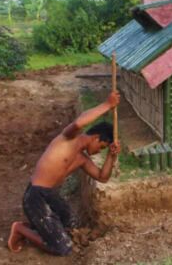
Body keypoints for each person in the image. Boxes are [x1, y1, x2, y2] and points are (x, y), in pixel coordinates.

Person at [7, 90, 121, 256]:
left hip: (51, 195)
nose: (98, 152)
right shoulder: (68, 139)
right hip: (35, 196)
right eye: (102, 147)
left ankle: (43, 227)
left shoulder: (82, 159)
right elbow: (79, 123)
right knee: (63, 248)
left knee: (73, 225)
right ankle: (20, 229)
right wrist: (107, 105)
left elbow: (103, 177)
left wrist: (111, 155)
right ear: (96, 137)